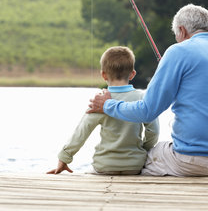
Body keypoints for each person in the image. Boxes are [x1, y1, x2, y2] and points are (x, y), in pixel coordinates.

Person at [87, 4, 208, 176]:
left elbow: (146, 111)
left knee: (142, 159)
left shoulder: (177, 51)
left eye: (176, 36)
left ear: (181, 31)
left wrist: (107, 105)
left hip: (195, 161)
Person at [47, 46, 159, 175]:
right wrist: (143, 150)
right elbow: (153, 131)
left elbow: (82, 131)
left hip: (105, 165)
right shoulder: (142, 97)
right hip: (135, 165)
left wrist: (64, 158)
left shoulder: (99, 101)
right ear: (132, 74)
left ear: (103, 75)